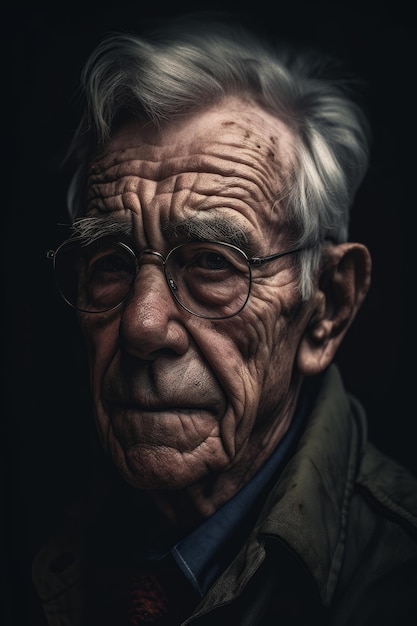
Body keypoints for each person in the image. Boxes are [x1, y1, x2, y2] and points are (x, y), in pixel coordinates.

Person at [31, 12, 417, 626]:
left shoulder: (399, 575)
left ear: (328, 309)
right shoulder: (36, 520)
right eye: (110, 261)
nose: (142, 324)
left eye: (213, 263)